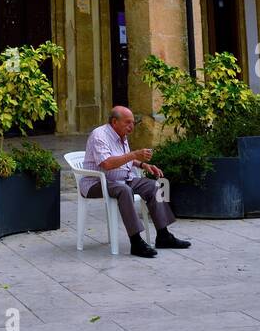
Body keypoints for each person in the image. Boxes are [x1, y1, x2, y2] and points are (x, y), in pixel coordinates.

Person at [80, 106, 190, 257]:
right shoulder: (99, 135)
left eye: (133, 122)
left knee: (156, 185)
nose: (131, 126)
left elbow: (124, 160)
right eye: (127, 122)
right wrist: (134, 154)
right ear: (114, 122)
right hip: (96, 182)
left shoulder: (121, 134)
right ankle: (136, 242)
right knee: (125, 191)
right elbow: (106, 163)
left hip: (123, 179)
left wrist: (144, 164)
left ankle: (163, 235)